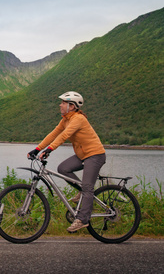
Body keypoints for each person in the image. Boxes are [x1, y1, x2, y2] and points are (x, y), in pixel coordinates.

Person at [27, 91, 106, 232]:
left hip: (95, 155)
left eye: (63, 103)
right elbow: (54, 134)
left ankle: (82, 219)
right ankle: (82, 192)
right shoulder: (66, 119)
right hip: (83, 155)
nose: (60, 105)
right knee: (63, 168)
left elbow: (65, 135)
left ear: (72, 106)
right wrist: (37, 149)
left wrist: (49, 150)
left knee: (88, 187)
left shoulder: (78, 119)